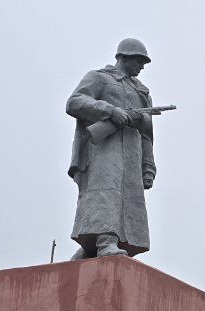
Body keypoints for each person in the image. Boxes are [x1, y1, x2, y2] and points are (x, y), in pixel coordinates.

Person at [66, 38, 159, 259]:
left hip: (132, 153)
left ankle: (93, 246)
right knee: (104, 191)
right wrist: (110, 111)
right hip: (103, 149)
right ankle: (103, 240)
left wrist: (148, 166)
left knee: (128, 198)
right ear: (124, 57)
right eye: (139, 60)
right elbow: (74, 102)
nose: (142, 66)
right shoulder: (99, 77)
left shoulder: (142, 92)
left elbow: (147, 134)